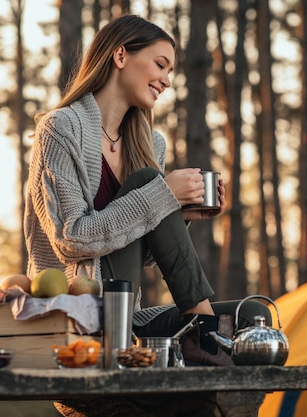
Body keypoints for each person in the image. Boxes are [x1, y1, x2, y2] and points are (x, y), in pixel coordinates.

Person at [24, 14, 271, 366]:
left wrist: (179, 214)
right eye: (160, 65)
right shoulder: (60, 129)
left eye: (170, 71)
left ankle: (204, 336)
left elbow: (143, 253)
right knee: (146, 183)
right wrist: (160, 196)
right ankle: (205, 332)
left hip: (126, 317)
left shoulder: (149, 143)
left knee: (251, 318)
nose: (166, 81)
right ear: (121, 55)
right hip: (79, 315)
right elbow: (72, 239)